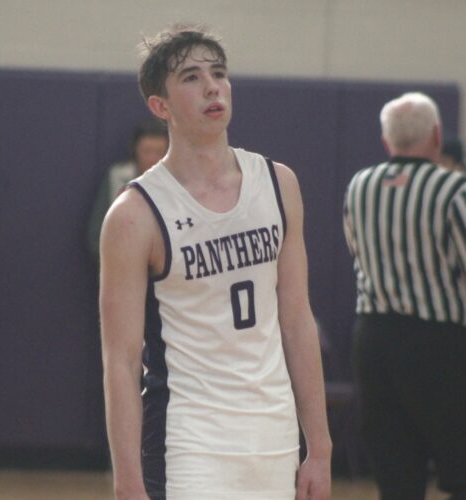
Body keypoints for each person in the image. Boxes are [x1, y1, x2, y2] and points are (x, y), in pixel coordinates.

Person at [99, 24, 332, 500]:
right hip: (188, 441)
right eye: (191, 77)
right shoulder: (134, 214)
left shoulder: (278, 183)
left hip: (274, 437)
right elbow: (120, 360)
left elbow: (296, 320)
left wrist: (320, 447)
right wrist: (126, 480)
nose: (212, 86)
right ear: (160, 106)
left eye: (219, 73)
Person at [343, 92, 466, 500]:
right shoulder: (454, 189)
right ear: (437, 135)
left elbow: (356, 253)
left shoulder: (359, 186)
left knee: (396, 479)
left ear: (386, 140)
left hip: (372, 344)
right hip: (441, 344)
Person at [87, 119, 169, 260]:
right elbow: (96, 234)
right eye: (147, 151)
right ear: (135, 151)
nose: (152, 159)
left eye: (159, 152)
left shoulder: (176, 183)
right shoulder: (117, 178)